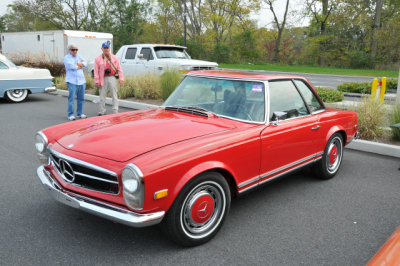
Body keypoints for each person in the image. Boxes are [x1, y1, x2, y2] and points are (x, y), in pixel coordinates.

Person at [94, 41, 124, 115]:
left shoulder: (114, 58)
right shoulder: (98, 59)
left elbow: (119, 69)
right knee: (102, 96)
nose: (106, 49)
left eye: (107, 48)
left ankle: (115, 111)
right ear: (102, 49)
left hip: (112, 77)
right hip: (102, 78)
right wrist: (97, 81)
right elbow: (96, 71)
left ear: (109, 48)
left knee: (114, 95)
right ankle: (102, 111)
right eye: (105, 48)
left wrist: (121, 79)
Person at [64, 44, 87, 120]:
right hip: (72, 81)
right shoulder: (67, 58)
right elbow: (72, 67)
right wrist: (80, 65)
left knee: (81, 98)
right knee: (71, 99)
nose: (75, 51)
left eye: (76, 50)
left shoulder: (79, 56)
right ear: (69, 50)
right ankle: (70, 114)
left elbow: (85, 63)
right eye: (73, 50)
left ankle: (80, 113)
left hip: (81, 81)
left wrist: (78, 64)